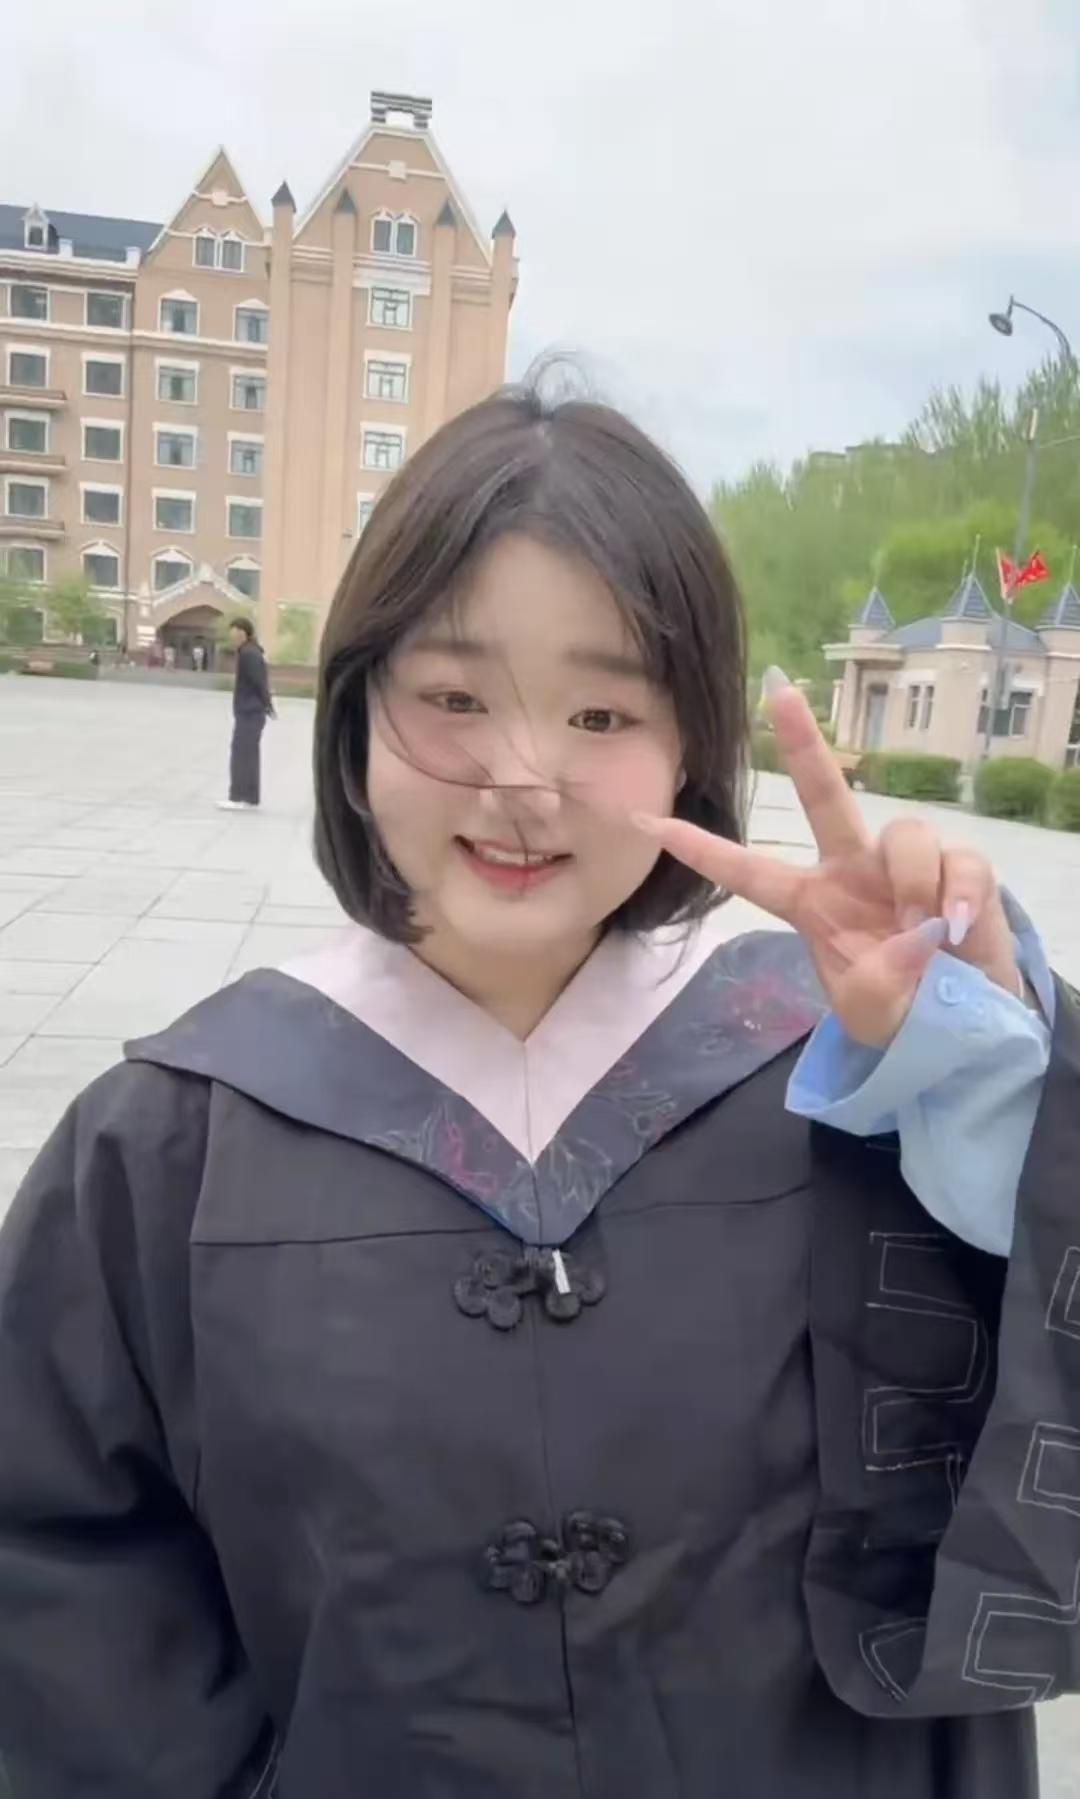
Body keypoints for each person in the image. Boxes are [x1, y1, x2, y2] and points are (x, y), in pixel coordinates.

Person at [0, 386, 1075, 1799]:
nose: (522, 775)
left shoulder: (851, 1085)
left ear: (690, 745)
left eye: (601, 710)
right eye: (454, 697)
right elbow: (55, 1572)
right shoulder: (164, 1150)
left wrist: (983, 1083)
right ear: (358, 711)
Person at [220, 616, 274, 810]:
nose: (232, 638)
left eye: (234, 634)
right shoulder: (252, 651)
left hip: (249, 712)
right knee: (249, 754)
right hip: (252, 711)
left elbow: (259, 682)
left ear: (243, 633)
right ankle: (250, 798)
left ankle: (239, 796)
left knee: (241, 753)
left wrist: (267, 704)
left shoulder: (248, 654)